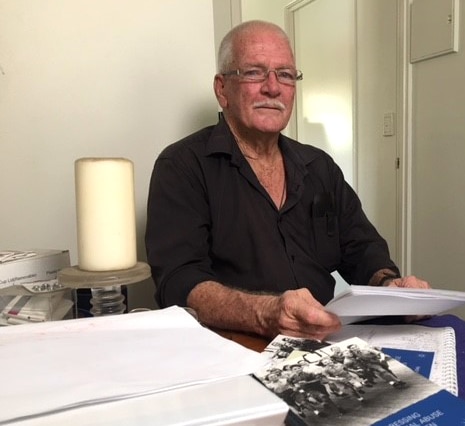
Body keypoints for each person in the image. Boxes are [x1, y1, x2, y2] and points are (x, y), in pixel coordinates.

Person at [145, 20, 429, 341]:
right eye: (254, 72)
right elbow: (180, 280)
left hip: (322, 338)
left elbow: (362, 248)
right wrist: (265, 313)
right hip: (232, 346)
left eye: (285, 74)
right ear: (222, 89)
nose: (273, 87)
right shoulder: (182, 166)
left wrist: (390, 286)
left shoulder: (320, 166)